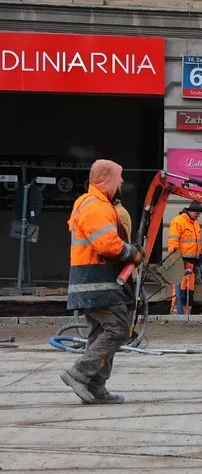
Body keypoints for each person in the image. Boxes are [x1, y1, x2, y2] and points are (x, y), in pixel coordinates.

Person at [60, 159, 141, 404]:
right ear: (107, 179)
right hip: (97, 283)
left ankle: (96, 387)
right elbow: (108, 245)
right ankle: (79, 373)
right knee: (117, 329)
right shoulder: (96, 206)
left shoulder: (92, 204)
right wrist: (133, 253)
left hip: (94, 283)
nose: (123, 182)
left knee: (100, 333)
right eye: (120, 177)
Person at [168, 201, 202, 315]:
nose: (198, 216)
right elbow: (173, 243)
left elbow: (197, 243)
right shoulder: (178, 221)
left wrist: (199, 259)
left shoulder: (195, 223)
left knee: (190, 290)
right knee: (180, 288)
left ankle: (186, 313)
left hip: (192, 263)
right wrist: (176, 260)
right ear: (190, 211)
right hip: (181, 262)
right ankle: (175, 312)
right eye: (197, 213)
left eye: (199, 214)